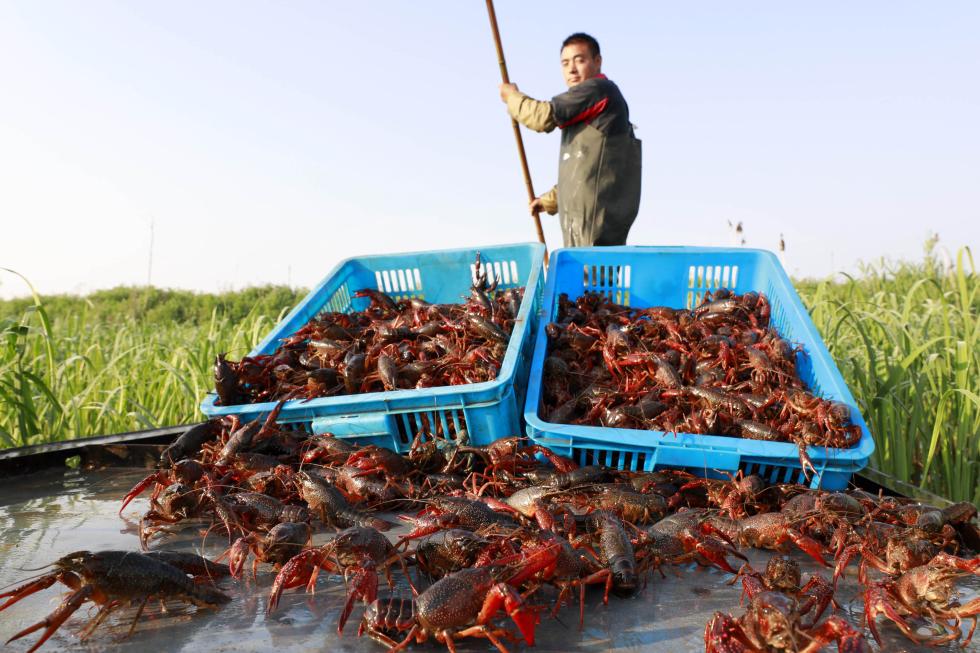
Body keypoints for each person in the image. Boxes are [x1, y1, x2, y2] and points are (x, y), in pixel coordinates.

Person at [499, 32, 641, 247]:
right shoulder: (592, 106)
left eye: (579, 60)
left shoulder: (598, 90)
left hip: (594, 230)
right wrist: (548, 202)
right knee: (590, 278)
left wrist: (511, 97)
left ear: (597, 61)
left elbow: (542, 117)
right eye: (565, 63)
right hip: (589, 225)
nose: (571, 70)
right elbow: (590, 170)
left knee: (589, 278)